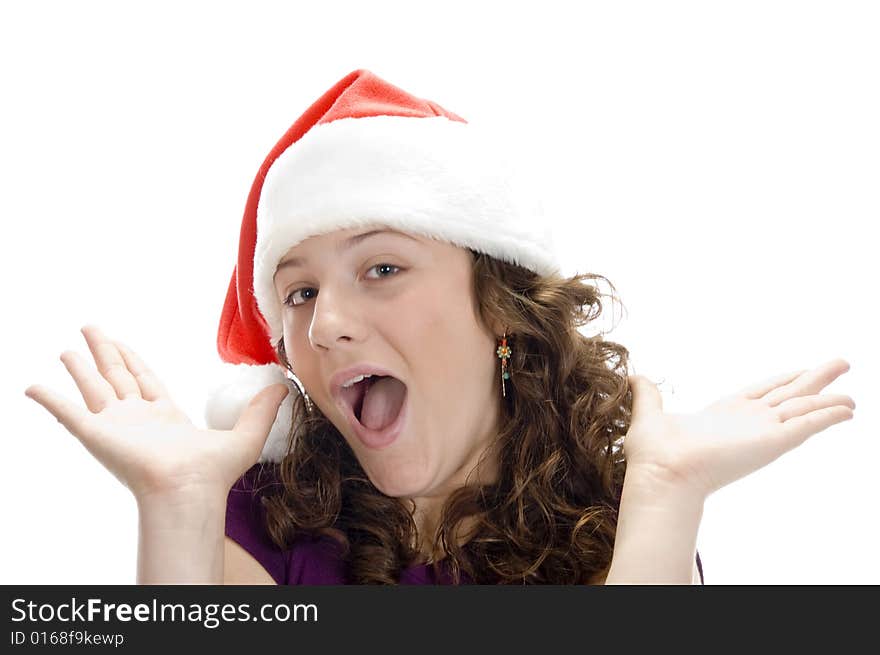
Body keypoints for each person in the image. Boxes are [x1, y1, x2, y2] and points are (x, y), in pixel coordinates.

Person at [23, 69, 856, 585]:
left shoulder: (622, 517)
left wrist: (667, 498)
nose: (327, 326)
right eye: (300, 292)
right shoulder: (259, 515)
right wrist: (175, 507)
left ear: (498, 302)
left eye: (382, 268)